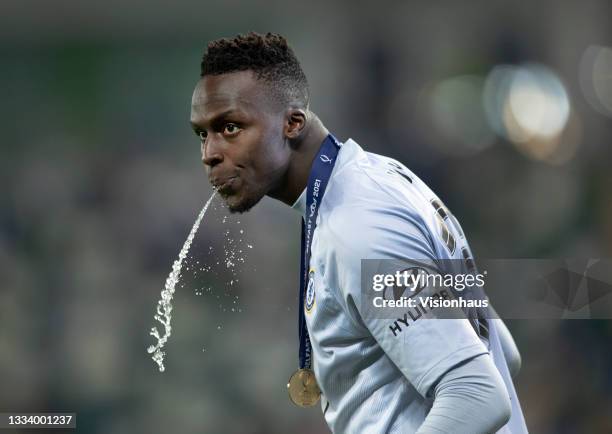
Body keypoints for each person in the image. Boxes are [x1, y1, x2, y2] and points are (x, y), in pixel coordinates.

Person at [190, 32, 528, 434]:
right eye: (203, 133)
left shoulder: (358, 226)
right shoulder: (382, 179)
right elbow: (501, 350)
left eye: (230, 128)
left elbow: (476, 393)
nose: (209, 152)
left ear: (292, 123)